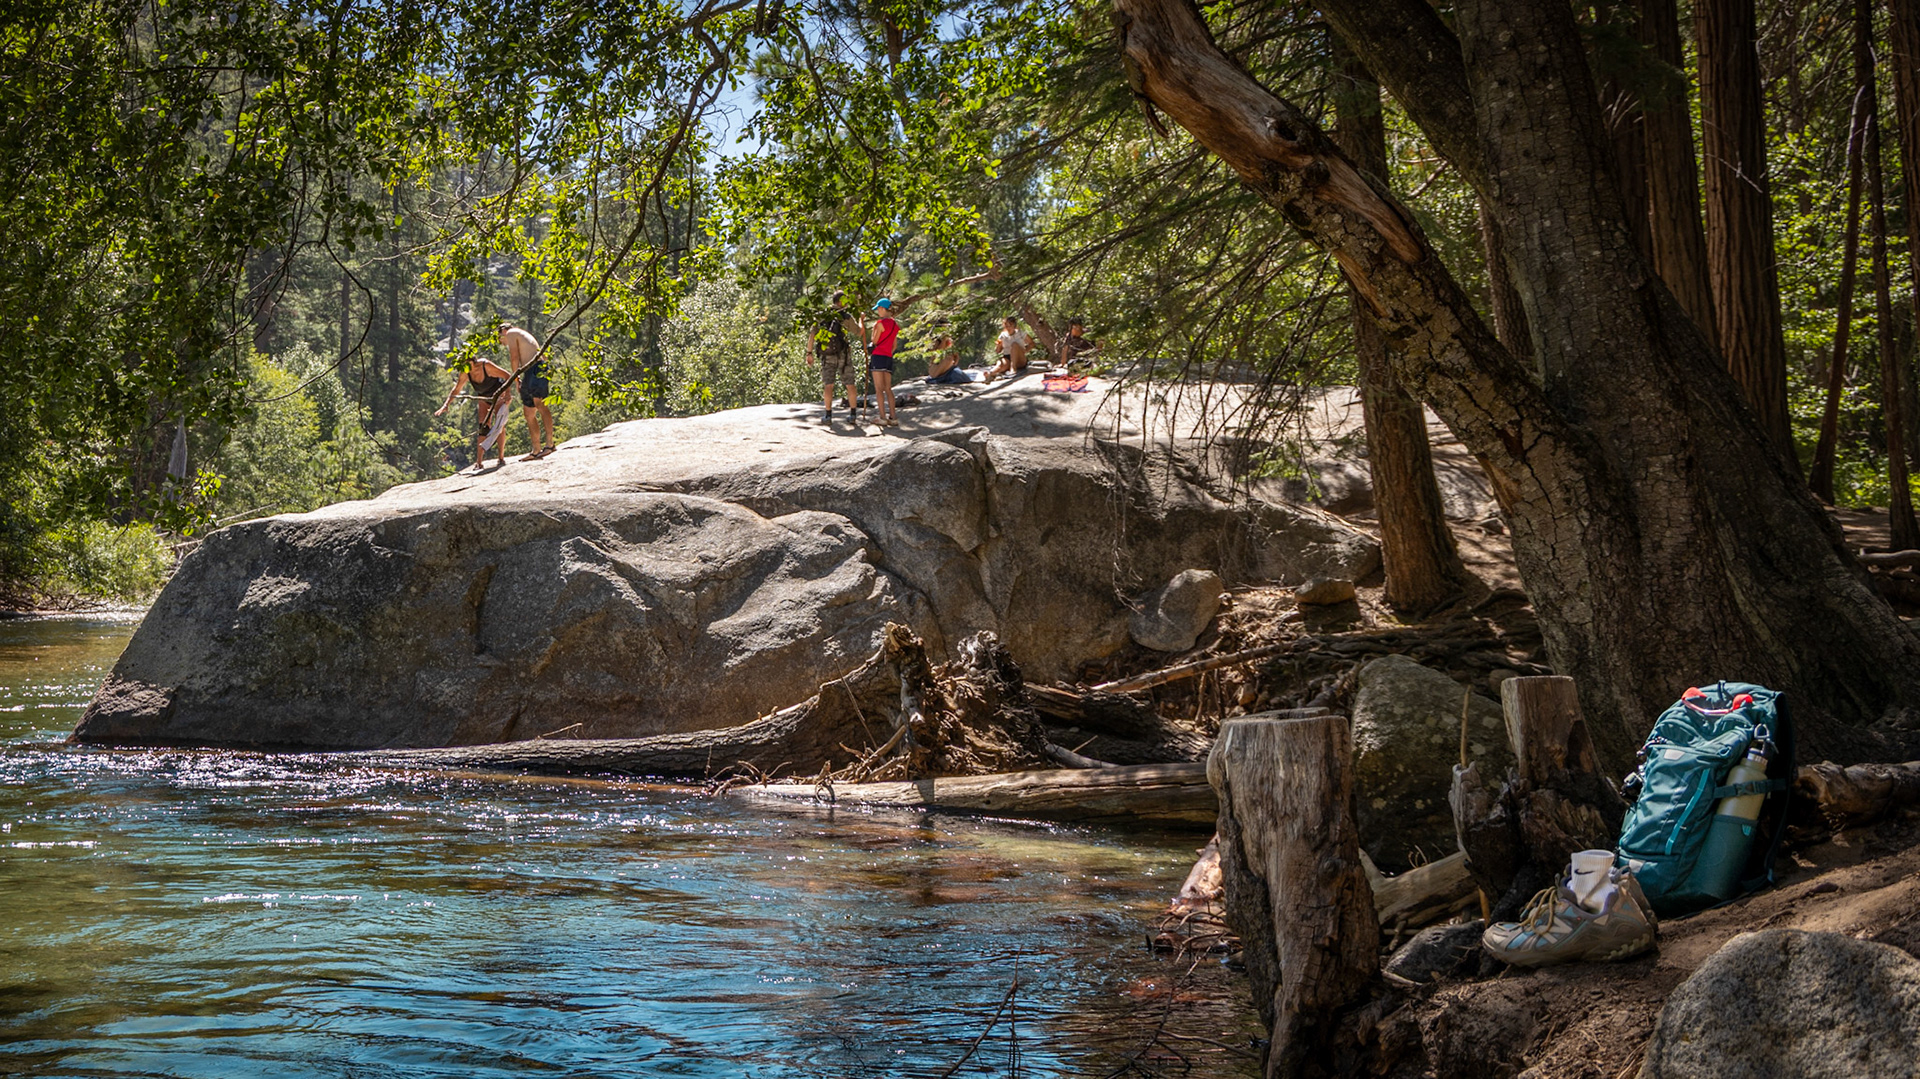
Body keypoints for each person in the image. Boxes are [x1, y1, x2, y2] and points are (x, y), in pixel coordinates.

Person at [435, 346, 514, 473]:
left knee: (499, 425)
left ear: (472, 361)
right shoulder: (465, 372)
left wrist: (508, 394)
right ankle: (479, 462)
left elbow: (507, 375)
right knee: (482, 427)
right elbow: (457, 389)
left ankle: (501, 457)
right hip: (483, 397)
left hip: (498, 394)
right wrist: (446, 404)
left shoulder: (485, 365)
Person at [805, 290, 862, 423]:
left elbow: (812, 335)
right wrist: (861, 319)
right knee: (850, 384)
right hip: (844, 354)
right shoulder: (845, 316)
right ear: (841, 301)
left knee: (828, 385)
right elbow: (859, 332)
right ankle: (853, 415)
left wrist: (809, 353)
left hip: (827, 354)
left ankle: (828, 416)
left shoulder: (822, 316)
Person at [501, 321, 554, 460]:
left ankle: (550, 444)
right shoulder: (520, 334)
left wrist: (515, 378)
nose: (501, 342)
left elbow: (514, 357)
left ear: (503, 332)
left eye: (499, 338)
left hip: (536, 368)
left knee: (540, 404)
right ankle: (536, 449)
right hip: (530, 370)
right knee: (528, 412)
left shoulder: (511, 333)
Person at [867, 298, 901, 427]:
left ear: (882, 308)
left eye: (878, 309)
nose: (878, 312)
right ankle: (893, 417)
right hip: (888, 357)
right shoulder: (894, 325)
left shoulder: (879, 324)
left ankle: (882, 417)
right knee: (888, 388)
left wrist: (872, 332)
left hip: (878, 357)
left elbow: (874, 342)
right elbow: (894, 345)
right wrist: (888, 353)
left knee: (878, 389)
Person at [984, 316, 1031, 381]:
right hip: (1007, 357)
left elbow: (1031, 343)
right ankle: (990, 373)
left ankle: (1013, 368)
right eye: (1006, 325)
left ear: (1014, 325)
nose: (1008, 327)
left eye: (1010, 325)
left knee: (1014, 345)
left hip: (1019, 357)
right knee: (1001, 364)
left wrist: (1025, 351)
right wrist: (999, 345)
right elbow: (998, 351)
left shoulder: (1020, 333)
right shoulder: (1003, 335)